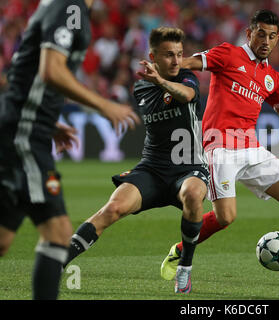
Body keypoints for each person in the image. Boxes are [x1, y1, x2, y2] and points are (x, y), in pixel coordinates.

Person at [160, 9, 279, 284]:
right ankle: (178, 250)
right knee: (225, 218)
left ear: (277, 40)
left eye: (271, 36)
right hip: (219, 147)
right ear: (249, 34)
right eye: (260, 34)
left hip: (251, 148)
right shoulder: (228, 54)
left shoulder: (272, 77)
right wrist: (169, 82)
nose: (265, 41)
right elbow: (186, 63)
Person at [0, 0, 140, 300]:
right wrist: (103, 104)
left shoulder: (65, 8)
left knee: (3, 240)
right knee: (58, 233)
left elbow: (23, 71)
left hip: (27, 127)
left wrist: (47, 122)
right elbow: (51, 70)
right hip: (24, 133)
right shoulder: (70, 6)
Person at [63, 27, 209, 294]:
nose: (176, 61)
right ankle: (58, 263)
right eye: (168, 55)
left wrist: (162, 81)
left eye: (179, 54)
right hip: (152, 168)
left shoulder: (188, 79)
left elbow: (185, 96)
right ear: (153, 56)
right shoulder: (141, 87)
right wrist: (156, 82)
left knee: (192, 194)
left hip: (190, 167)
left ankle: (185, 268)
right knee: (111, 209)